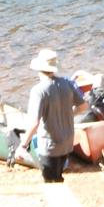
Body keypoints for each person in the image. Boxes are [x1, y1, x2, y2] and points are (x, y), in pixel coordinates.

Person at [20, 48, 87, 183]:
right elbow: (83, 106)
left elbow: (34, 123)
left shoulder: (38, 91)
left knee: (51, 182)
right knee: (58, 178)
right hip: (67, 143)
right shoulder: (67, 84)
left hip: (50, 146)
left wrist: (22, 146)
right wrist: (69, 113)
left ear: (39, 69)